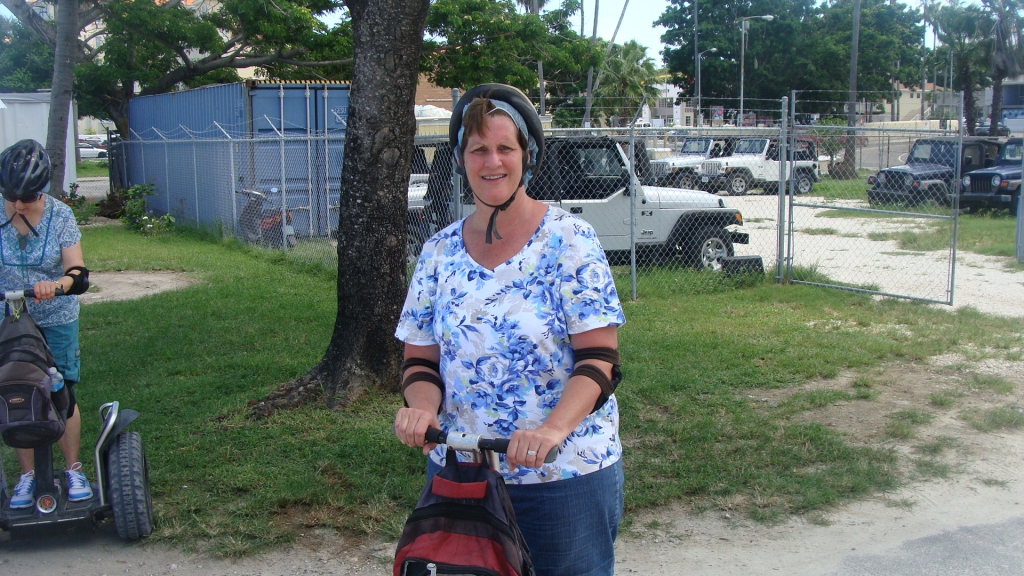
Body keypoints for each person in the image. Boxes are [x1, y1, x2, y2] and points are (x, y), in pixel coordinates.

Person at [393, 84, 626, 576]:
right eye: (479, 149)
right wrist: (420, 411)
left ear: (527, 155)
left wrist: (550, 430)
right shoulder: (438, 252)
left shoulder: (569, 240)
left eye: (505, 148)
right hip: (463, 474)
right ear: (461, 159)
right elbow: (420, 362)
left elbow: (600, 359)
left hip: (563, 477)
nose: (492, 161)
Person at [0, 139, 92, 508]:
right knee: (14, 390)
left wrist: (58, 284)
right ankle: (27, 476)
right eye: (12, 197)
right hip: (8, 318)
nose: (19, 204)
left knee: (60, 392)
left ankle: (73, 468)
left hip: (55, 317)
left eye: (28, 197)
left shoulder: (60, 215)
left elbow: (79, 273)